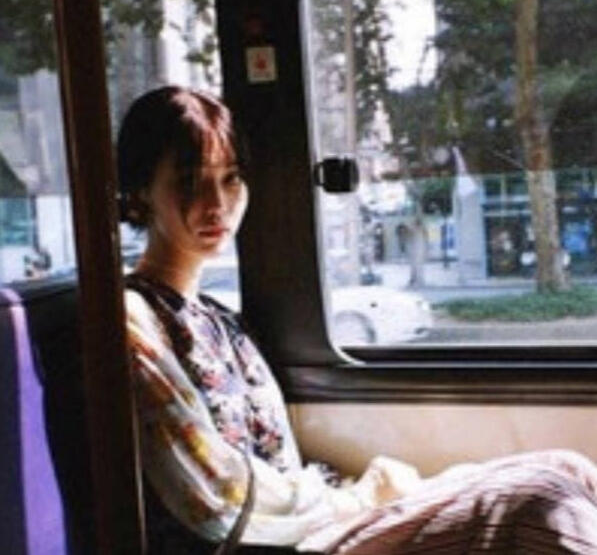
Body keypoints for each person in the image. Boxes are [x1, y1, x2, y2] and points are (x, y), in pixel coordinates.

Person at [120, 86, 597, 554]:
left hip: (316, 520)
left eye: (230, 179)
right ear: (141, 191)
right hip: (286, 541)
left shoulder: (220, 318)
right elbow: (217, 497)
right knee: (539, 500)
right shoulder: (132, 318)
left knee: (566, 466)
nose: (217, 204)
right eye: (189, 181)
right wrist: (361, 498)